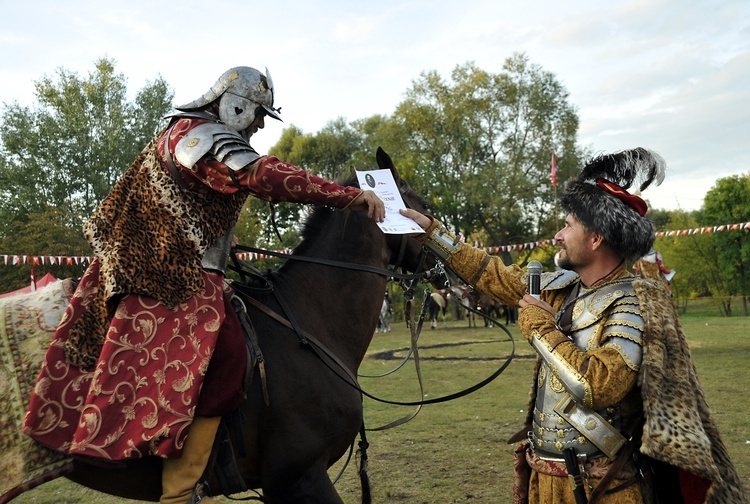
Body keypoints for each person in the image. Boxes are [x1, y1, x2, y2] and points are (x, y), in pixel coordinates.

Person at [22, 66, 385, 504]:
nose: (260, 124)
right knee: (229, 349)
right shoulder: (199, 136)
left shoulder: (192, 133)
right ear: (234, 103)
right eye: (258, 113)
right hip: (164, 275)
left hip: (177, 270)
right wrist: (345, 195)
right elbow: (260, 175)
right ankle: (181, 492)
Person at [401, 148, 747, 503]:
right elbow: (489, 274)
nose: (558, 236)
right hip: (544, 476)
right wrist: (431, 232)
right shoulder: (560, 289)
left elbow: (600, 385)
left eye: (568, 225)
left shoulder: (632, 302)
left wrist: (541, 329)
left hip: (605, 487)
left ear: (596, 238)